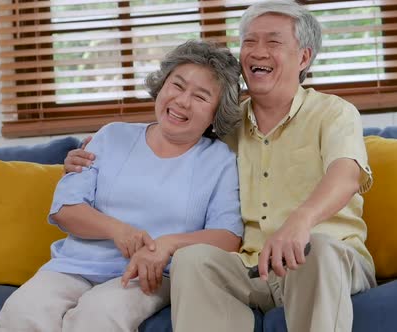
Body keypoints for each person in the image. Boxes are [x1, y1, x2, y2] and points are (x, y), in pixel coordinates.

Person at [65, 1, 377, 331]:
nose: (258, 52)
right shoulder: (224, 124)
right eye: (249, 41)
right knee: (191, 260)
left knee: (320, 248)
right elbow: (168, 135)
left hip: (320, 260)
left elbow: (346, 175)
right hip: (250, 266)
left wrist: (301, 220)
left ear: (303, 57)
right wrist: (95, 154)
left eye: (273, 42)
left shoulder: (334, 113)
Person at [0, 40, 244, 332]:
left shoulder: (220, 161)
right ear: (162, 86)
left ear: (216, 113)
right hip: (74, 267)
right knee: (23, 311)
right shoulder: (111, 136)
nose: (183, 101)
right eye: (177, 85)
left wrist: (165, 244)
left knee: (98, 316)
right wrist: (119, 230)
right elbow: (65, 209)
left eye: (200, 97)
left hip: (149, 275)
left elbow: (227, 237)